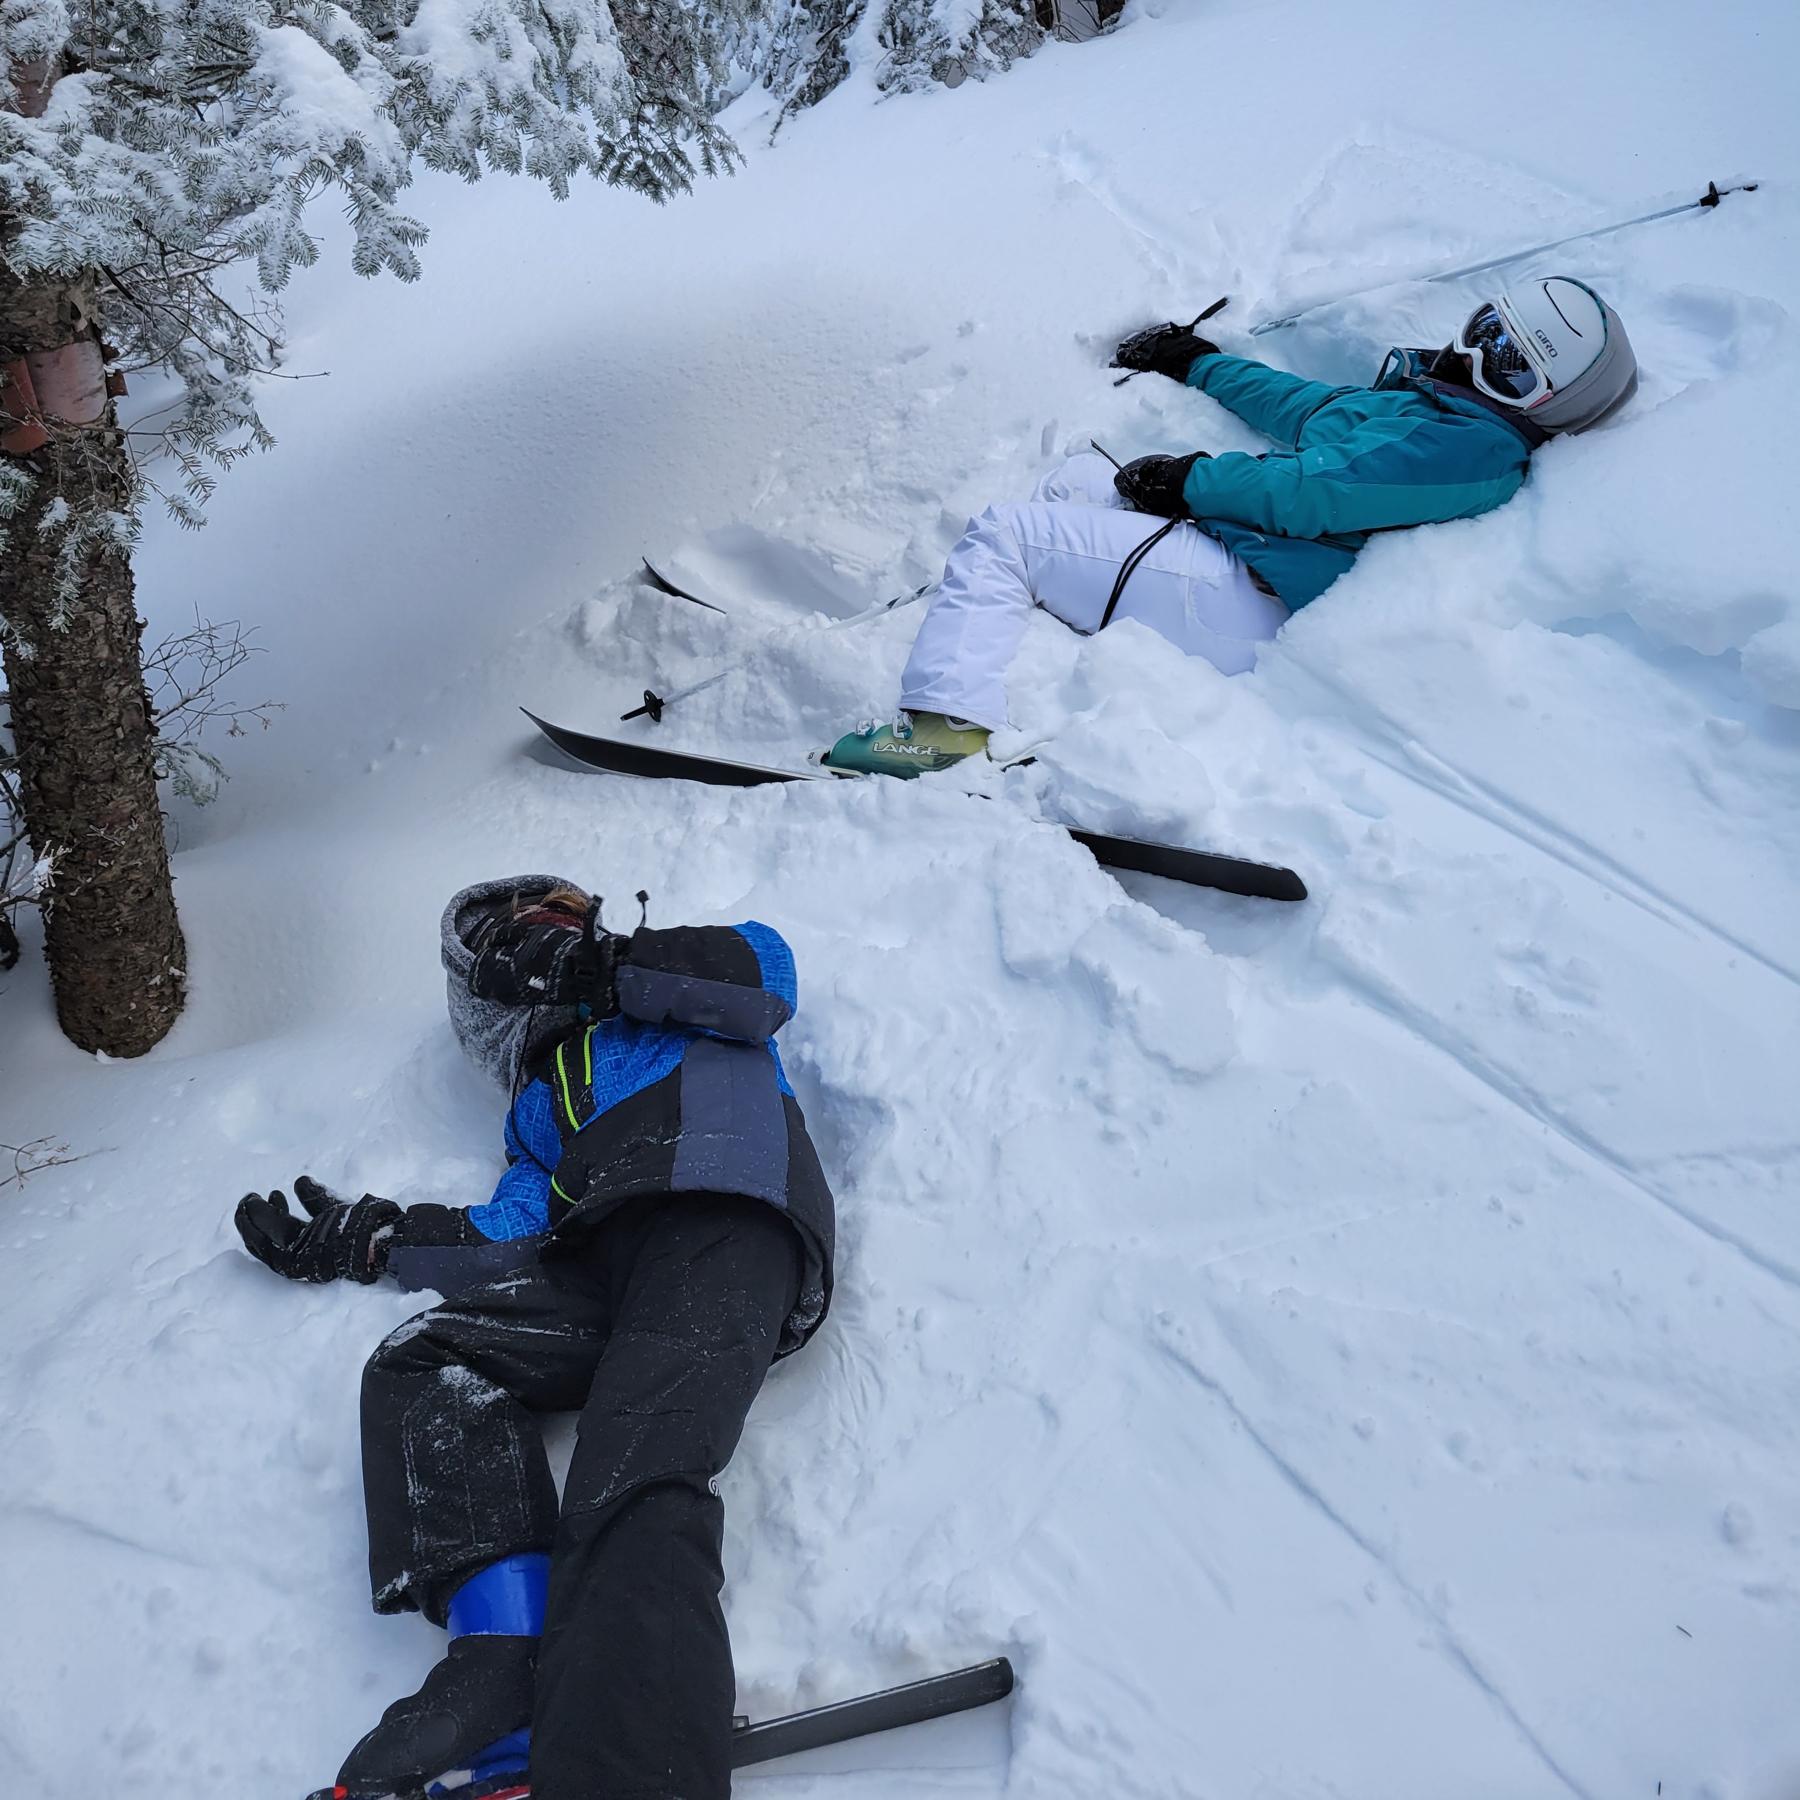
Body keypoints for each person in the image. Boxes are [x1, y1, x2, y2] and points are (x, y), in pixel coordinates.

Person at [234, 877, 835, 1800]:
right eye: (519, 933)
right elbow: (507, 1241)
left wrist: (607, 965)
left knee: (633, 1477)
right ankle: (505, 1663)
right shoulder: (535, 1114)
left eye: (558, 920)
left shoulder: (682, 992)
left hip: (721, 1215)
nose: (546, 933)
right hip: (607, 1270)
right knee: (430, 1361)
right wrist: (373, 1239)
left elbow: (767, 974)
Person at [823, 276, 1638, 775]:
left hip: (1247, 593)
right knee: (1076, 481)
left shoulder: (1467, 446)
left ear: (1546, 401)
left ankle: (940, 741)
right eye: (1486, 331)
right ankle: (1002, 648)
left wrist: (1188, 481)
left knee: (1008, 533)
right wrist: (1197, 361)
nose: (1478, 356)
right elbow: (1311, 412)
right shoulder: (1436, 406)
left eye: (1511, 363)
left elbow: (1313, 493)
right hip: (1239, 557)